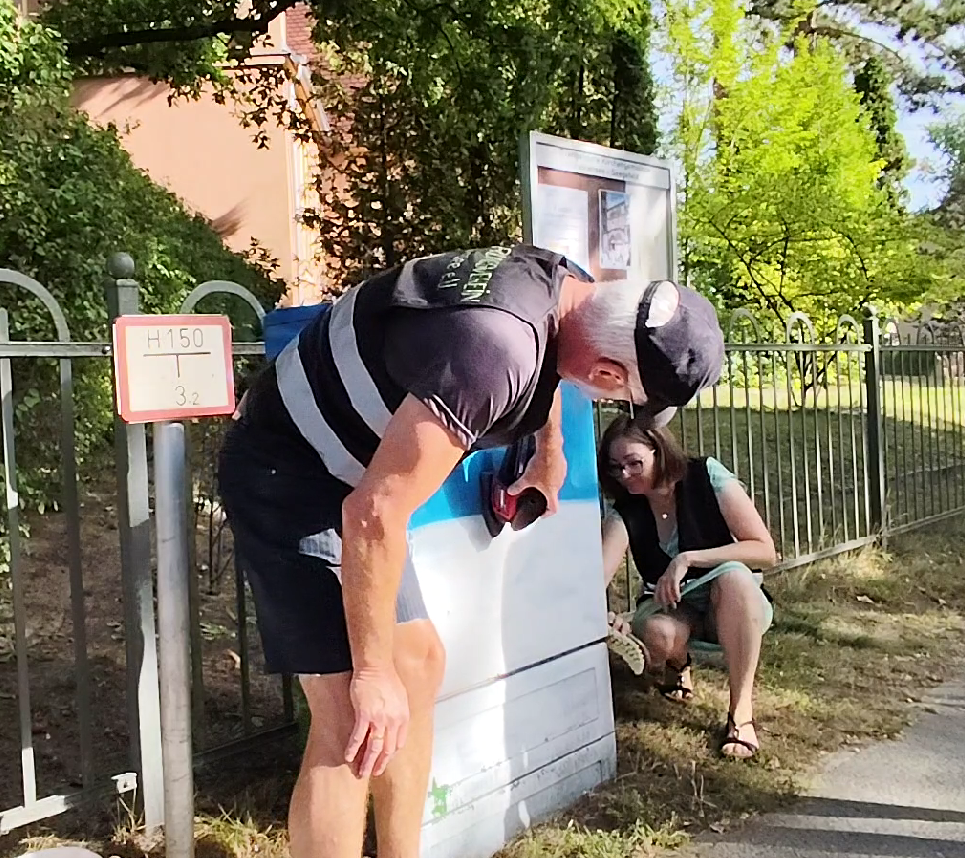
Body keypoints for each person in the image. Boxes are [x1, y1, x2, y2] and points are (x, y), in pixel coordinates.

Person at [215, 244, 724, 858]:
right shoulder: (493, 348)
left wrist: (549, 453)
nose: (611, 403)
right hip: (289, 471)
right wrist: (371, 673)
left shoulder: (564, 287)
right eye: (620, 398)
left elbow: (559, 357)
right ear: (611, 376)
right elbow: (374, 515)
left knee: (418, 665)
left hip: (349, 474)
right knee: (353, 715)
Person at [598, 415, 776, 760]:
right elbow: (597, 578)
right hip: (672, 605)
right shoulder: (625, 510)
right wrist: (604, 615)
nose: (625, 475)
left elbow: (765, 551)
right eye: (615, 467)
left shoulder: (705, 475)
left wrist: (688, 559)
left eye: (634, 463)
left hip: (732, 597)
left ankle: (741, 713)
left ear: (659, 450)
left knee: (734, 578)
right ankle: (677, 664)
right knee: (657, 633)